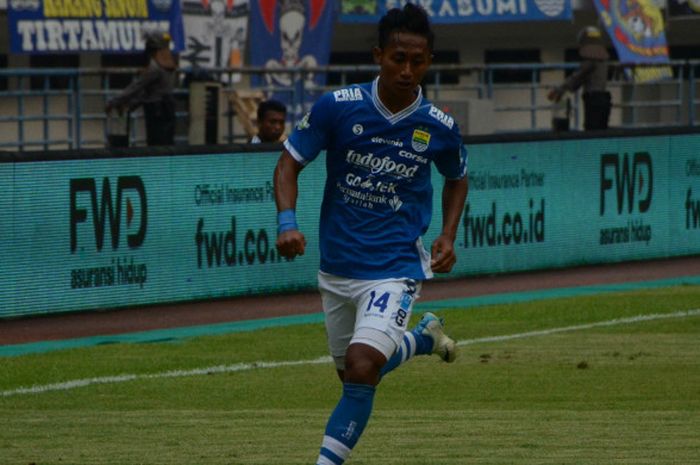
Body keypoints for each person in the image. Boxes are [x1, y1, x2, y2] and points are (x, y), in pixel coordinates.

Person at [272, 4, 468, 465]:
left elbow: (457, 176)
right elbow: (289, 163)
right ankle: (422, 340)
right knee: (353, 376)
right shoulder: (337, 108)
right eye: (398, 58)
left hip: (395, 267)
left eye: (417, 61)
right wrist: (286, 222)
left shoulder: (438, 126)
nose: (407, 70)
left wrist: (448, 234)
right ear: (379, 55)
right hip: (337, 267)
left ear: (429, 62)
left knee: (363, 366)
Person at [105, 30, 178, 146]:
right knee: (166, 144)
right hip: (168, 109)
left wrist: (115, 101)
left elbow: (136, 87)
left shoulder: (154, 69)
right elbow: (150, 92)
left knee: (155, 144)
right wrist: (132, 104)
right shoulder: (169, 67)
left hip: (156, 111)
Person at [548, 25, 612, 131]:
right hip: (604, 98)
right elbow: (581, 78)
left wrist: (559, 90)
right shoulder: (603, 60)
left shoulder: (591, 60)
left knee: (592, 130)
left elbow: (578, 76)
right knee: (601, 131)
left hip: (593, 99)